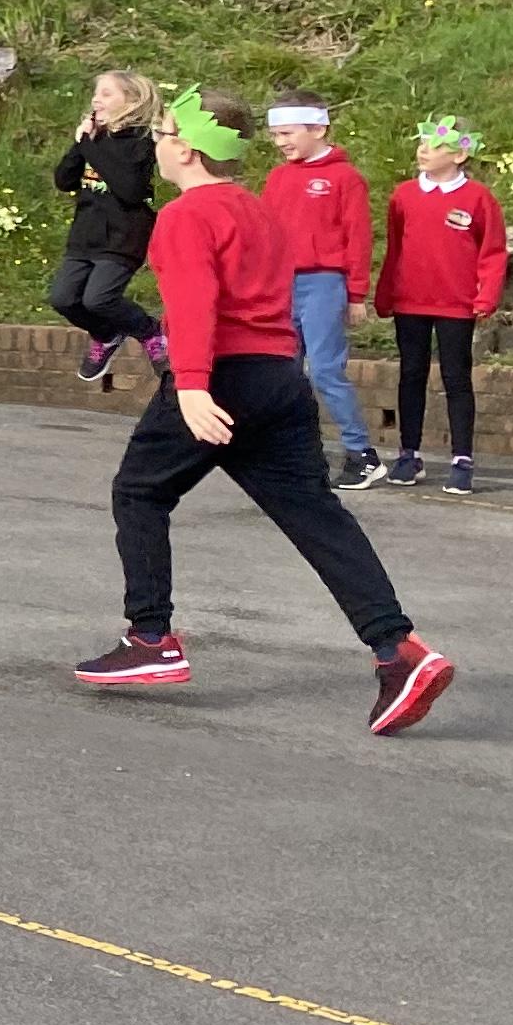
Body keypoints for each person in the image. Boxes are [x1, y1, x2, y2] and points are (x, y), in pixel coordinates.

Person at [73, 87, 456, 735]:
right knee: (315, 515)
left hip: (220, 376)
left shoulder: (187, 216)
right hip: (280, 378)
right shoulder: (258, 209)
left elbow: (194, 303)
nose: (156, 144)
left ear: (186, 150)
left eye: (162, 133)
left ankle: (150, 639)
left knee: (139, 492)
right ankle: (398, 649)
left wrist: (192, 385)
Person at [373, 116, 504, 497]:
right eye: (422, 143)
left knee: (456, 378)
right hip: (410, 301)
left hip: (456, 303)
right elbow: (395, 248)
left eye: (435, 145)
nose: (423, 150)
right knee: (411, 374)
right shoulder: (403, 195)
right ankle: (408, 454)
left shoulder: (479, 198)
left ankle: (462, 458)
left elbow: (493, 251)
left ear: (460, 154)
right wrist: (386, 293)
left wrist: (486, 296)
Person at [262, 100, 380, 489]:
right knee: (284, 370)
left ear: (318, 129)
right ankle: (296, 450)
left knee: (326, 368)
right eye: (275, 134)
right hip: (282, 284)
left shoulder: (345, 178)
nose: (280, 142)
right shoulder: (278, 177)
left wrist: (357, 294)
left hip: (324, 282)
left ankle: (361, 454)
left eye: (287, 133)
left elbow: (358, 238)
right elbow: (265, 233)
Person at [46, 70, 165, 383]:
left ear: (132, 101)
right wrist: (80, 144)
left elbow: (130, 190)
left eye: (106, 94)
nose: (96, 100)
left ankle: (149, 331)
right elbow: (64, 180)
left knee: (98, 298)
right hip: (86, 234)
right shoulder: (94, 140)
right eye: (96, 93)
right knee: (63, 298)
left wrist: (89, 145)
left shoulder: (140, 142)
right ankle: (106, 335)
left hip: (123, 235)